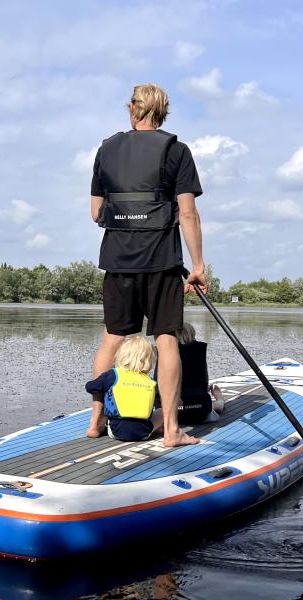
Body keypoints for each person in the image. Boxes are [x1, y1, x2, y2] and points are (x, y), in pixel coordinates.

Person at [85, 83, 208, 447]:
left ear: (131, 110)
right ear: (163, 112)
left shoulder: (105, 150)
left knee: (112, 339)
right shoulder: (177, 151)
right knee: (166, 339)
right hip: (161, 261)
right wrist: (198, 264)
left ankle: (95, 423)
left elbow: (96, 213)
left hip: (118, 259)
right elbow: (187, 213)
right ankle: (171, 431)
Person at [85, 336, 163, 442]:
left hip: (115, 431)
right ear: (149, 360)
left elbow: (90, 388)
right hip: (143, 433)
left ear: (121, 355)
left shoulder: (113, 375)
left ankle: (96, 425)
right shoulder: (150, 382)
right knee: (162, 411)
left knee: (103, 390)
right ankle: (158, 428)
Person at [173, 322, 225, 424]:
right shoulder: (199, 352)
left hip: (174, 414)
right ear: (193, 335)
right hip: (200, 412)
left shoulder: (169, 354)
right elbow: (201, 379)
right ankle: (220, 398)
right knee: (216, 407)